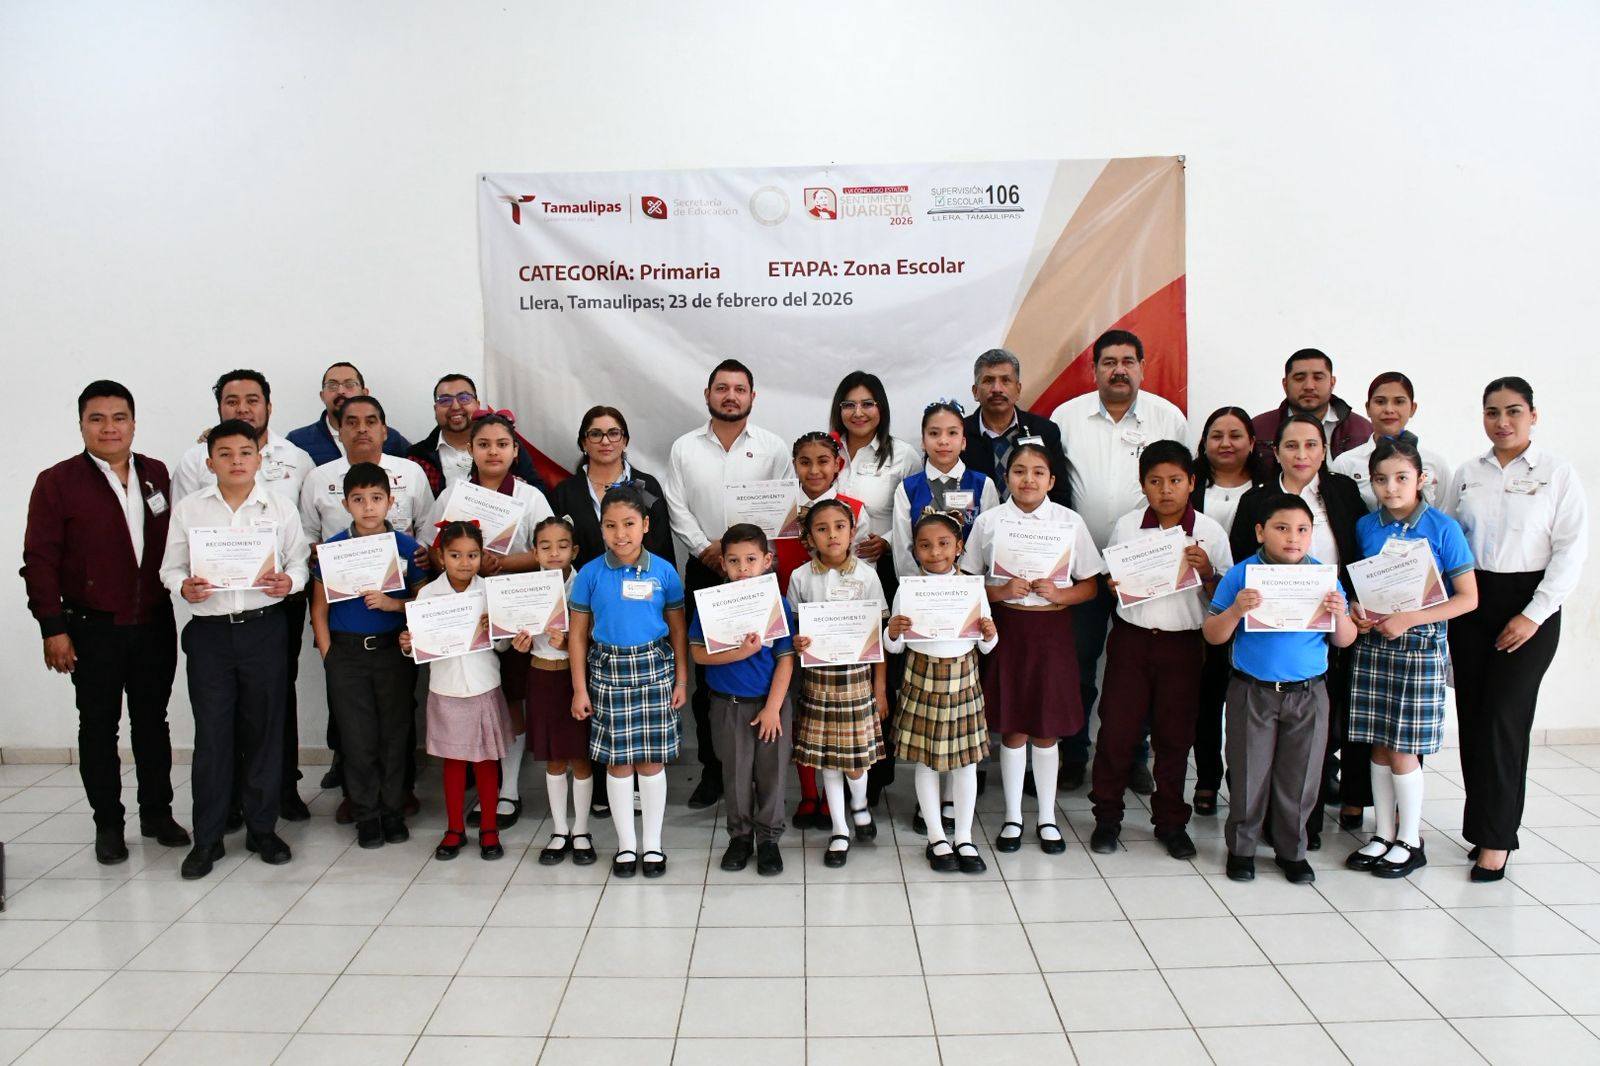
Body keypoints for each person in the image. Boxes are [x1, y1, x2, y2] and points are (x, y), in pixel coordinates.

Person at [22, 380, 189, 865]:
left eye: (119, 418)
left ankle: (157, 814)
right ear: (81, 425)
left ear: (133, 423)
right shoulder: (57, 482)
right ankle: (108, 825)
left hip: (152, 621)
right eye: (97, 419)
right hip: (91, 627)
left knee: (152, 723)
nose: (109, 427)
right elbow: (39, 561)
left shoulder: (156, 473)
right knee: (98, 727)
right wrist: (52, 627)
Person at [1444, 376, 1587, 881]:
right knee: (1474, 717)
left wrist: (1533, 613)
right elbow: (1446, 538)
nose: (1502, 421)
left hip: (1529, 604)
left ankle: (1498, 840)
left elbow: (1571, 551)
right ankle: (1482, 826)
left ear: (1533, 415)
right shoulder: (1467, 473)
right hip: (1472, 601)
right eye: (1492, 412)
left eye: (1513, 411)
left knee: (1505, 718)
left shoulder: (1557, 473)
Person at [159, 419, 310, 880]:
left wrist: (290, 582)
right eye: (225, 454)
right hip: (210, 635)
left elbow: (300, 563)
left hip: (264, 629)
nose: (236, 461)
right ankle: (207, 838)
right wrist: (183, 587)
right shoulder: (190, 510)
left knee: (264, 732)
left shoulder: (279, 507)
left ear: (259, 459)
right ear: (210, 463)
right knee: (213, 736)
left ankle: (262, 830)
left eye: (245, 452)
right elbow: (170, 568)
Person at [1051, 329, 1189, 792]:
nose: (1119, 370)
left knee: (1139, 669)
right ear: (1094, 370)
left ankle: (1134, 756)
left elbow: (1182, 487)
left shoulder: (1167, 417)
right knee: (1078, 663)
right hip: (1081, 567)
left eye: (1128, 361)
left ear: (1143, 368)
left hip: (1148, 566)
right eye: (1109, 362)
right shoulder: (1066, 417)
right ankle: (1073, 753)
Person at [1204, 493, 1358, 884]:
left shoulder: (1323, 578)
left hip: (1309, 693)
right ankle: (1242, 849)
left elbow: (1344, 640)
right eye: (1282, 528)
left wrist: (1340, 615)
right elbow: (1213, 634)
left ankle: (1292, 850)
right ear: (1261, 532)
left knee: (1300, 777)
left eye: (1303, 529)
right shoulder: (1242, 574)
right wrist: (1236, 610)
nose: (1293, 537)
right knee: (1248, 772)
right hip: (1252, 691)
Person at [1231, 413, 1368, 846]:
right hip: (1264, 635)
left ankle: (1301, 829)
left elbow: (1358, 551)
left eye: (1311, 444)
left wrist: (1349, 605)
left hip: (1327, 625)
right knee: (1257, 750)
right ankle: (1255, 830)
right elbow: (1243, 562)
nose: (1302, 454)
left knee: (1315, 737)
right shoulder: (1257, 499)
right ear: (1276, 452)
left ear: (1324, 451)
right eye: (1291, 445)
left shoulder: (1342, 491)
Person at [1091, 440, 1232, 860]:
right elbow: (1111, 582)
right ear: (1143, 485)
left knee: (1175, 737)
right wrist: (1113, 585)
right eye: (1155, 481)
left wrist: (1208, 571)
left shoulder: (1209, 531)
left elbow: (1223, 598)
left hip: (1184, 646)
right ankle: (1107, 817)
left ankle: (1171, 822)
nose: (1165, 490)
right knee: (1116, 732)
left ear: (1191, 482)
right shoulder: (1128, 526)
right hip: (1132, 641)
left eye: (1174, 480)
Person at [961, 442, 1104, 856]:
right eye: (1019, 471)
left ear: (1051, 480)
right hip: (1007, 628)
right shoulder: (989, 522)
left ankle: (1045, 817)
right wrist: (1000, 591)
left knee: (1045, 728)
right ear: (1006, 478)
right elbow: (967, 581)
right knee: (1013, 726)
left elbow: (1090, 585)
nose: (1028, 479)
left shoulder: (1069, 522)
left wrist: (1062, 595)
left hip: (1052, 630)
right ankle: (1012, 817)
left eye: (1038, 472)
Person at [1343, 441, 1478, 879]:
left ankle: (1410, 839)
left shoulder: (1443, 528)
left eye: (1401, 477)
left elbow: (1468, 599)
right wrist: (1357, 611)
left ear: (1421, 479)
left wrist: (1410, 618)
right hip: (1375, 646)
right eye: (1381, 479)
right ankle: (1382, 834)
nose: (1391, 487)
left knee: (1404, 748)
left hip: (1420, 648)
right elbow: (1361, 586)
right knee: (1379, 746)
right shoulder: (1366, 526)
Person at [663, 359, 791, 809]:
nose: (730, 396)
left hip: (756, 571)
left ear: (752, 397)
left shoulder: (773, 447)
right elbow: (676, 505)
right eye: (722, 388)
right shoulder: (684, 448)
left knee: (763, 659)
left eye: (739, 389)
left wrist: (749, 558)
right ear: (708, 394)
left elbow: (783, 506)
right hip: (705, 567)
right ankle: (714, 770)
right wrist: (706, 550)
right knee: (709, 672)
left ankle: (761, 768)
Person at [569, 485, 689, 879]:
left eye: (629, 524)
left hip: (655, 670)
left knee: (651, 762)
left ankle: (652, 843)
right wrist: (580, 688)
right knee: (618, 763)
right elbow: (577, 636)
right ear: (601, 528)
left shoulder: (664, 571)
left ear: (646, 525)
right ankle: (626, 845)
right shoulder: (590, 574)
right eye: (611, 525)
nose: (620, 534)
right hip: (608, 672)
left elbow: (677, 630)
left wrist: (682, 679)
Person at [308, 462, 428, 849]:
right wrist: (329, 655)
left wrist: (394, 606)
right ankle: (365, 814)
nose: (369, 506)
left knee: (394, 733)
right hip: (346, 653)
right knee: (357, 737)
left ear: (391, 502)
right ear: (345, 504)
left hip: (393, 651)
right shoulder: (332, 550)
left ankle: (393, 810)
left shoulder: (408, 549)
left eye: (376, 498)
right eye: (358, 499)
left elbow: (424, 603)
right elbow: (319, 609)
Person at [884, 509, 998, 874]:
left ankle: (963, 836)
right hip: (922, 678)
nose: (935, 552)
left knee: (966, 763)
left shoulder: (972, 588)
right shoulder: (908, 588)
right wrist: (893, 631)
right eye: (925, 546)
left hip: (963, 679)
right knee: (926, 762)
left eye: (944, 544)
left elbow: (986, 646)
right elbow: (895, 647)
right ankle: (936, 838)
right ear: (915, 550)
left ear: (959, 547)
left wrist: (989, 633)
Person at [690, 524, 798, 877]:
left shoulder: (777, 604)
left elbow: (785, 659)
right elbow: (699, 655)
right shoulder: (711, 604)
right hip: (728, 704)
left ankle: (768, 839)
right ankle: (739, 837)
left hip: (771, 705)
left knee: (772, 774)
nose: (743, 568)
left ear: (767, 561)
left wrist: (773, 708)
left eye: (751, 560)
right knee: (735, 774)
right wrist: (741, 652)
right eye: (734, 561)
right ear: (722, 563)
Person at [402, 521, 513, 862]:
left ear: (482, 556)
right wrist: (408, 644)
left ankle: (489, 828)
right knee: (453, 762)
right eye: (455, 555)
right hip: (447, 688)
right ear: (441, 556)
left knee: (486, 762)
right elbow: (419, 646)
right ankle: (454, 829)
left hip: (482, 685)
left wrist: (495, 631)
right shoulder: (428, 595)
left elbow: (504, 647)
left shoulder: (489, 592)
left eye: (472, 555)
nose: (464, 563)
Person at [788, 499, 890, 868]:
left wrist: (880, 689)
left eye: (839, 527)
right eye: (822, 528)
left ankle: (859, 805)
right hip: (818, 681)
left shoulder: (867, 575)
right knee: (828, 762)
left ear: (852, 532)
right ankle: (840, 828)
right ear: (809, 537)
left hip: (857, 680)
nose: (832, 535)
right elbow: (794, 628)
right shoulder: (801, 577)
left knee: (855, 759)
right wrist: (798, 641)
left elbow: (878, 636)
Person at [777, 431, 865, 830]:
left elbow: (861, 568)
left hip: (843, 631)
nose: (814, 470)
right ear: (794, 466)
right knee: (802, 713)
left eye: (823, 461)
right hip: (792, 622)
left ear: (837, 465)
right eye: (805, 462)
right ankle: (809, 794)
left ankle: (836, 798)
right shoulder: (777, 505)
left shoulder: (854, 510)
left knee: (838, 721)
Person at [1190, 407, 1270, 816]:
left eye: (1235, 435)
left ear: (1252, 443)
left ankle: (1244, 782)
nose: (1225, 443)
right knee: (1205, 699)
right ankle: (1207, 778)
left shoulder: (1268, 490)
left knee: (1243, 703)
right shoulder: (1189, 486)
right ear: (1203, 443)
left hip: (1254, 609)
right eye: (1216, 435)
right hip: (1198, 607)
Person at [510, 516, 597, 866]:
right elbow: (507, 636)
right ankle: (560, 829)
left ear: (574, 550)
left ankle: (582, 830)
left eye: (562, 546)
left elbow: (598, 634)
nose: (554, 553)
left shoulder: (585, 585)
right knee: (554, 759)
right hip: (541, 676)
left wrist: (572, 642)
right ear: (535, 552)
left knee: (579, 756)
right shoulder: (523, 589)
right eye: (545, 547)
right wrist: (518, 643)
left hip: (576, 679)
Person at [423, 412, 555, 576]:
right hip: (463, 588)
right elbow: (433, 548)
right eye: (484, 445)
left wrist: (498, 563)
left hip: (517, 588)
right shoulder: (451, 495)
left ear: (515, 450)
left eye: (502, 444)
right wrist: (468, 567)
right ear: (470, 449)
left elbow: (551, 550)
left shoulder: (532, 497)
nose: (493, 451)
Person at [551, 405, 674, 568]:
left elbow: (663, 546)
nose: (605, 441)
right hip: (584, 582)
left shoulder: (646, 486)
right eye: (595, 434)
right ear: (584, 443)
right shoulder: (564, 493)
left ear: (625, 441)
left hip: (643, 581)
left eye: (613, 433)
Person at [299, 396, 435, 541]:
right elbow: (307, 532)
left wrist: (418, 549)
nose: (362, 429)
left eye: (370, 422)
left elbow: (427, 526)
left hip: (402, 555)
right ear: (340, 433)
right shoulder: (318, 478)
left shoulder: (411, 472)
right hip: (338, 554)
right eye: (352, 423)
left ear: (384, 431)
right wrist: (314, 548)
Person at [891, 400, 1000, 579]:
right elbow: (902, 548)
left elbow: (990, 541)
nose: (943, 441)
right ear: (923, 442)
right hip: (921, 585)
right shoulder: (907, 489)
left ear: (963, 442)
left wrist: (966, 581)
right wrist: (916, 585)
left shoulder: (983, 485)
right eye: (934, 433)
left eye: (952, 433)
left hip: (970, 584)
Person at [960, 348, 1071, 507]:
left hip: (1034, 522)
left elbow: (1059, 495)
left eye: (1005, 380)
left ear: (1018, 390)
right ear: (975, 391)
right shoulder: (958, 434)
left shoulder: (1045, 431)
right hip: (975, 521)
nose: (997, 389)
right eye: (988, 380)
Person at [408, 373, 550, 497]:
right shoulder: (417, 456)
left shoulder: (505, 444)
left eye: (464, 398)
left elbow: (538, 491)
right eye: (445, 400)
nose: (455, 406)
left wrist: (516, 491)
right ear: (435, 409)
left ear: (477, 404)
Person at [1332, 372, 1455, 510]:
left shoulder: (1435, 464)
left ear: (1413, 408)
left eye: (1399, 401)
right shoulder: (1346, 464)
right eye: (1380, 402)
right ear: (1368, 408)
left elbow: (1445, 514)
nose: (1389, 409)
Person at [1252, 349, 1373, 465]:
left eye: (1318, 378)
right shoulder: (1259, 429)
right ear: (1285, 384)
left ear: (1332, 383)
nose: (1309, 386)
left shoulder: (1362, 430)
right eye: (1299, 378)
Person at [286, 361, 413, 466]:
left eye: (349, 384)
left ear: (365, 393)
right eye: (332, 385)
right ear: (322, 395)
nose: (341, 391)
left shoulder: (390, 438)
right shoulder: (298, 441)